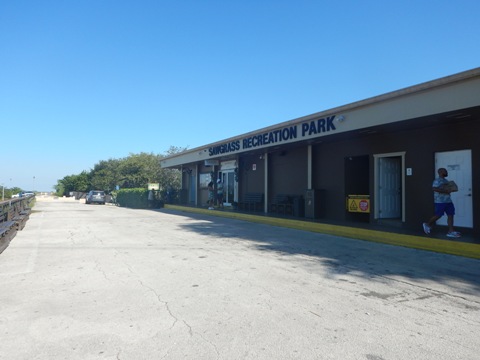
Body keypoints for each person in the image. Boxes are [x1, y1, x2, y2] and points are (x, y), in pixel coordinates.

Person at [423, 168, 461, 238]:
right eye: (445, 171)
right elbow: (434, 188)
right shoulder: (437, 180)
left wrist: (451, 190)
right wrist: (445, 191)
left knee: (451, 215)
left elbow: (446, 189)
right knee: (438, 215)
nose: (446, 172)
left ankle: (451, 231)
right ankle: (428, 224)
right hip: (440, 201)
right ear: (440, 172)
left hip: (448, 201)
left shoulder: (446, 180)